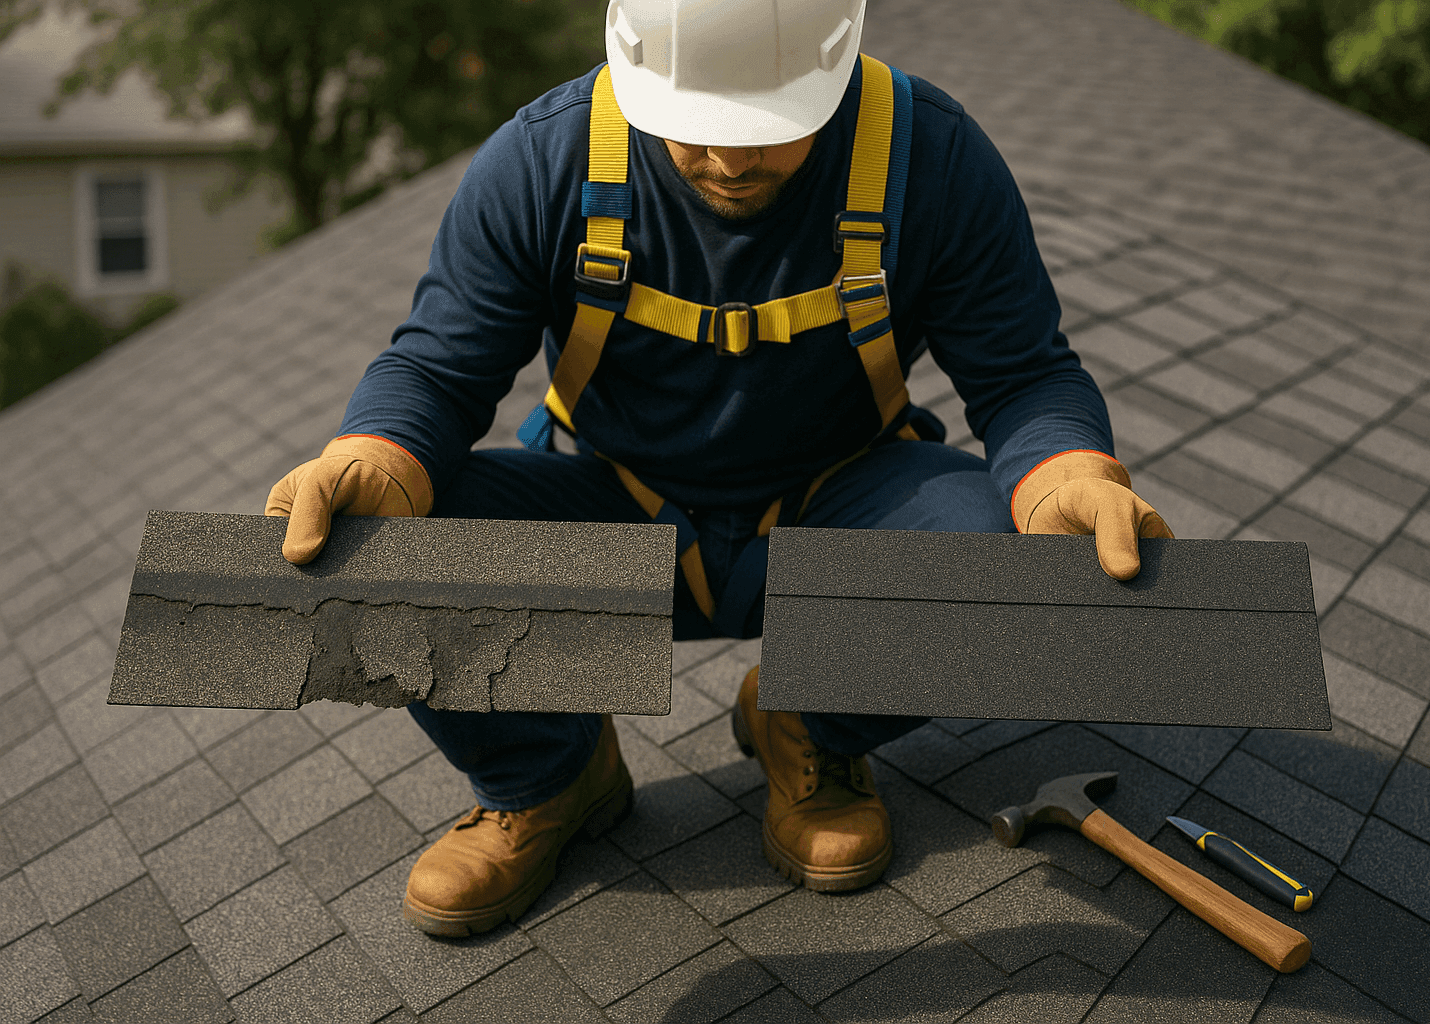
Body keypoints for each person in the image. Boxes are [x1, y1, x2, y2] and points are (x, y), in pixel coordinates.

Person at [266, 0, 1172, 937]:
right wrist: (377, 455)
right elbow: (436, 369)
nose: (731, 161)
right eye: (696, 127)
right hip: (616, 514)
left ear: (835, 66)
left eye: (770, 127)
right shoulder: (544, 159)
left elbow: (1024, 375)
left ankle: (811, 722)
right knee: (381, 543)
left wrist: (1066, 476)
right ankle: (547, 774)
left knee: (1015, 556)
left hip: (838, 512)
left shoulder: (930, 154)